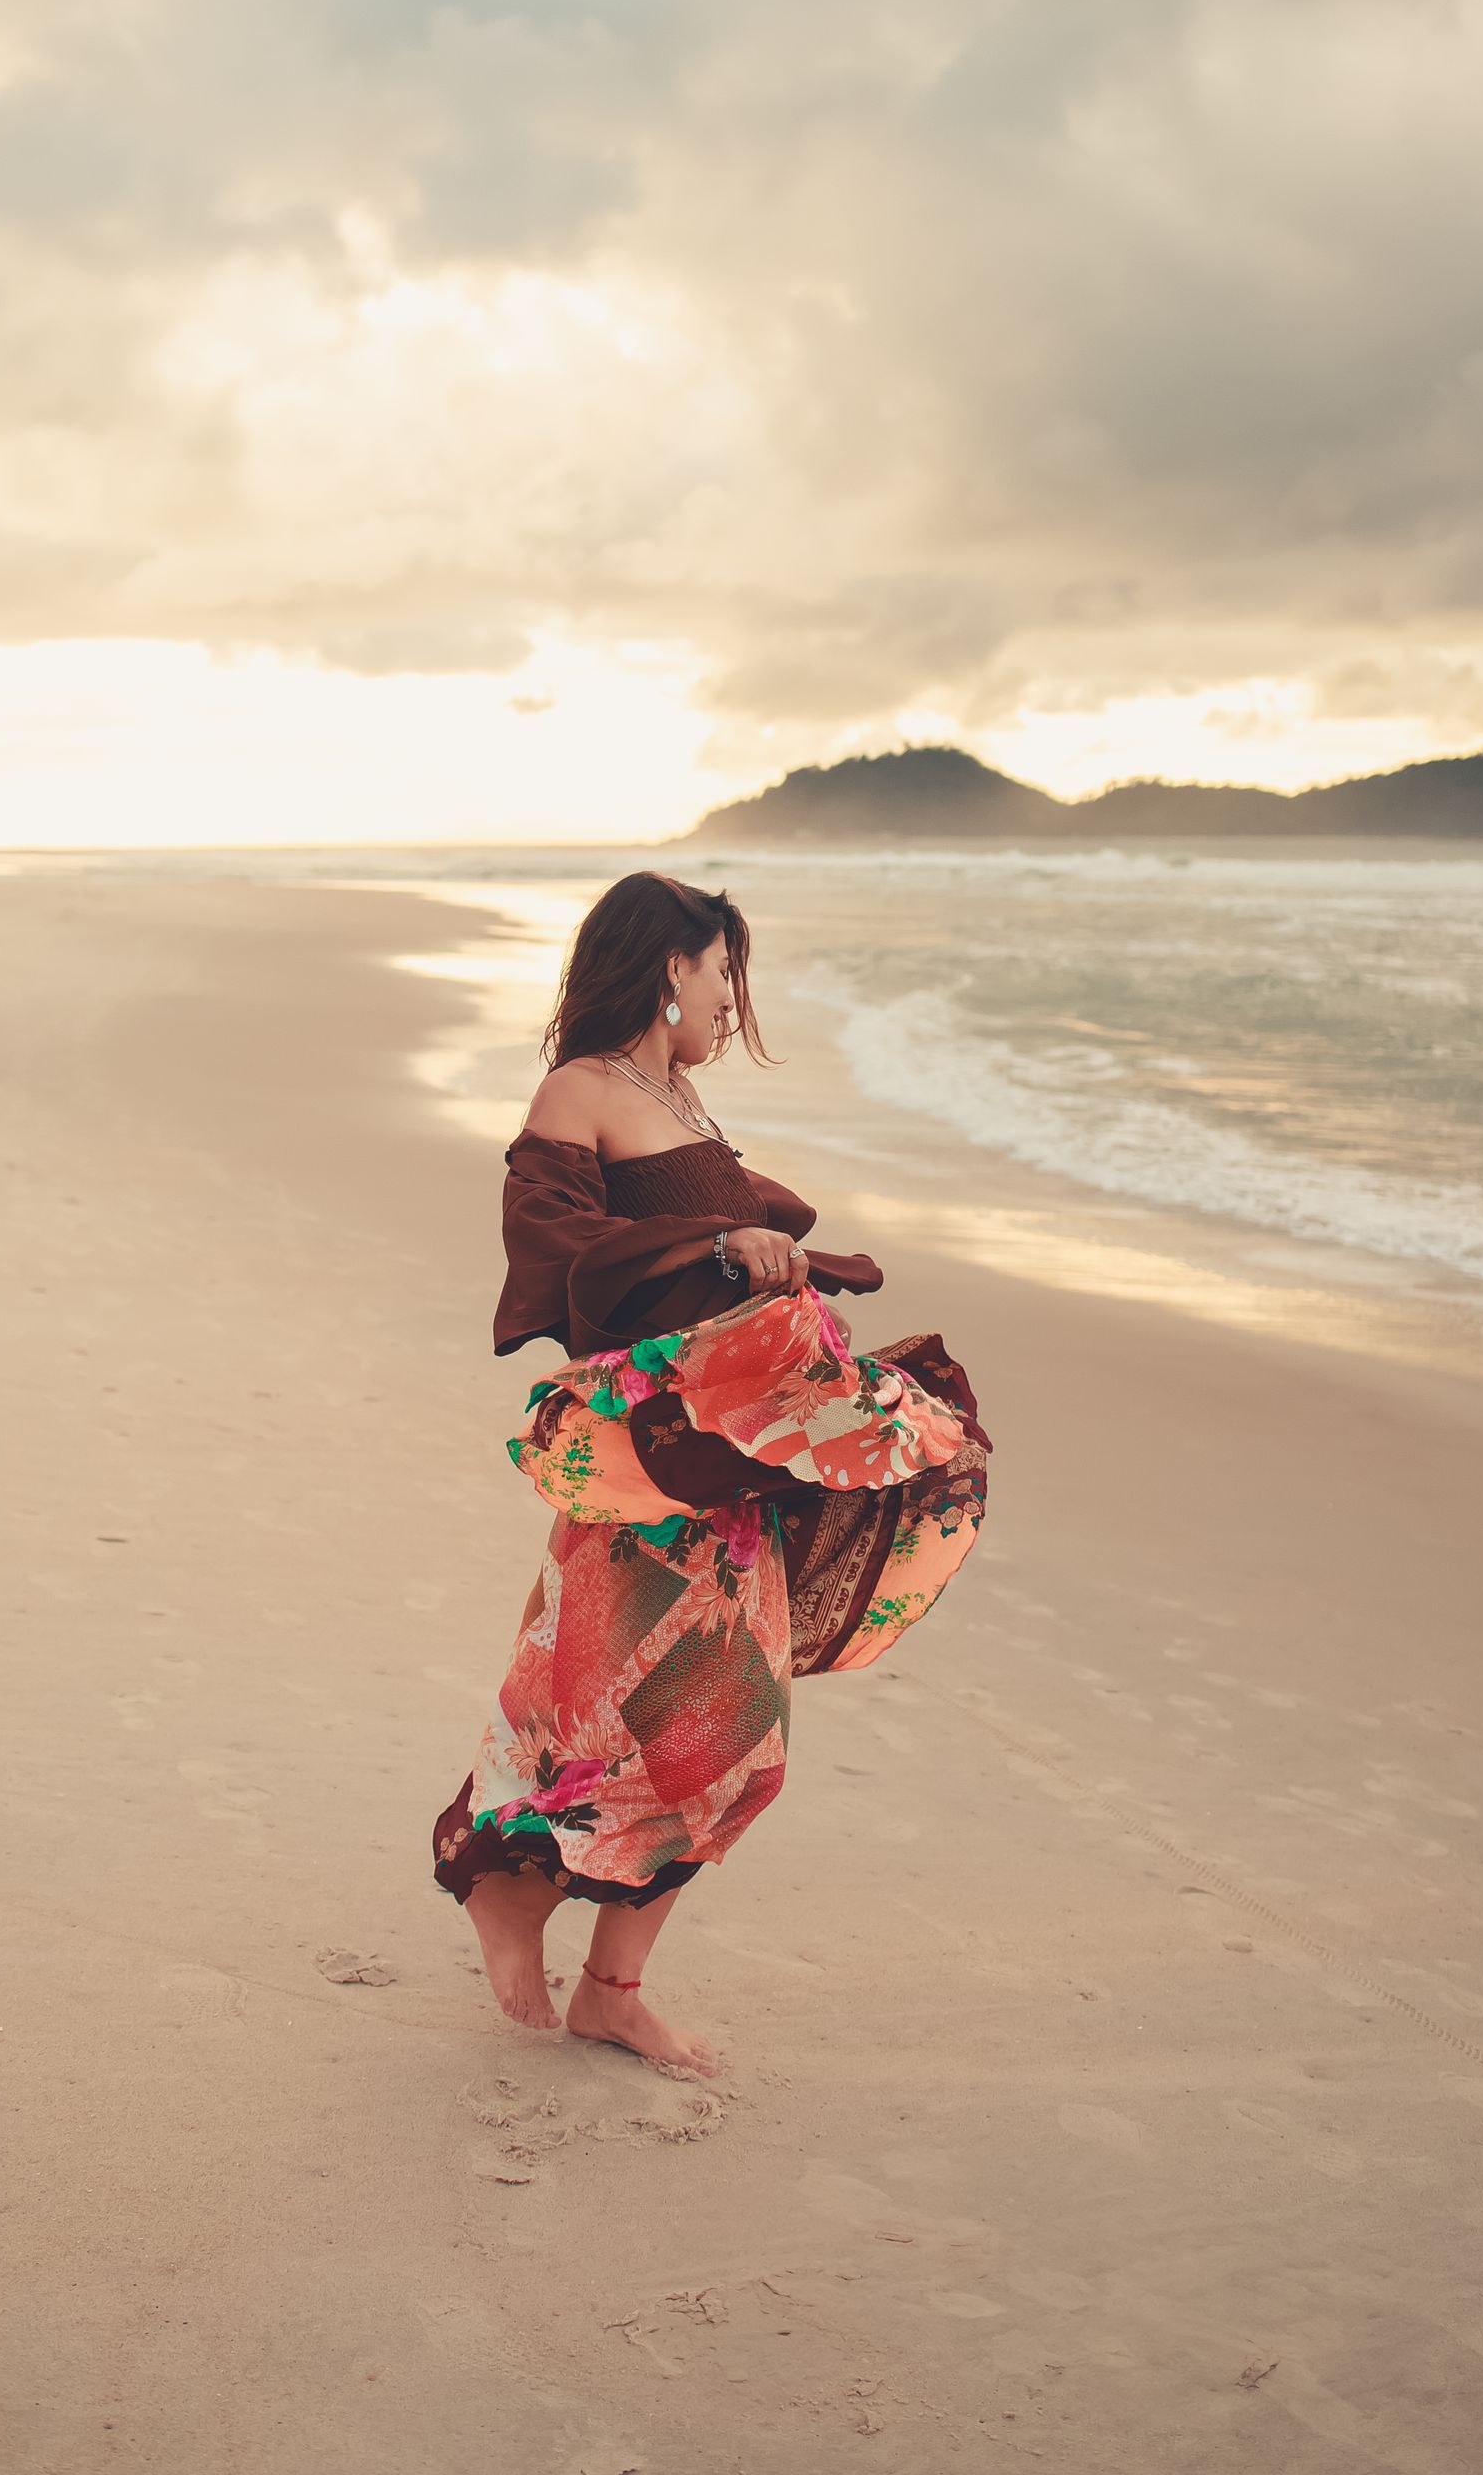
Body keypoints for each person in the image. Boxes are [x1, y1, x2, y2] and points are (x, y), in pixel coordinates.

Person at [431, 870, 989, 2075]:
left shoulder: (672, 1094)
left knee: (729, 1746)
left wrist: (761, 1261)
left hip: (723, 1478)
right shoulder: (581, 1089)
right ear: (669, 966)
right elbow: (557, 1246)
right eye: (724, 970)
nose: (734, 1000)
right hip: (653, 1476)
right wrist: (717, 1239)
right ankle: (510, 1896)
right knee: (619, 1719)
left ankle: (610, 1989)